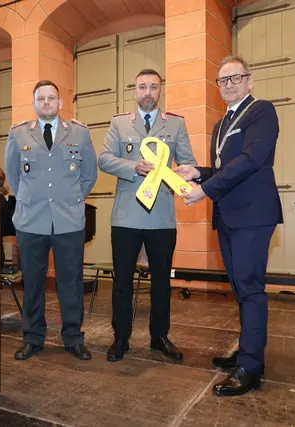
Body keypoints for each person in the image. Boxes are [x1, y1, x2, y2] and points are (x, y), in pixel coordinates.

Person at [174, 55, 282, 396]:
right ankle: (249, 351)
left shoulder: (261, 111)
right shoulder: (222, 124)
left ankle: (250, 368)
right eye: (223, 80)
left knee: (250, 288)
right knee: (240, 288)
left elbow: (250, 160)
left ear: (250, 80)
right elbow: (225, 168)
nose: (229, 84)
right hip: (229, 216)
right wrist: (199, 172)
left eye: (236, 77)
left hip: (253, 215)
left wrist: (205, 189)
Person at [98, 69, 196, 362]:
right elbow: (104, 159)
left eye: (154, 87)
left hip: (161, 216)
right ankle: (121, 338)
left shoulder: (176, 124)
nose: (148, 92)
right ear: (135, 91)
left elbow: (189, 163)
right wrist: (133, 167)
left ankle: (159, 336)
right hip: (126, 216)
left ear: (160, 91)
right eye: (143, 87)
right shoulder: (119, 123)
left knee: (161, 283)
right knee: (122, 282)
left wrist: (180, 174)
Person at [4, 80, 98, 361]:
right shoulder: (18, 133)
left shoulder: (79, 133)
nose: (46, 102)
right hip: (31, 220)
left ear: (60, 102)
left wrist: (70, 199)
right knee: (33, 283)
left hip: (68, 220)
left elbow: (89, 175)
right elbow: (13, 176)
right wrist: (32, 199)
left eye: (51, 98)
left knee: (70, 282)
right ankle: (33, 338)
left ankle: (73, 338)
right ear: (34, 103)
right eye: (41, 98)